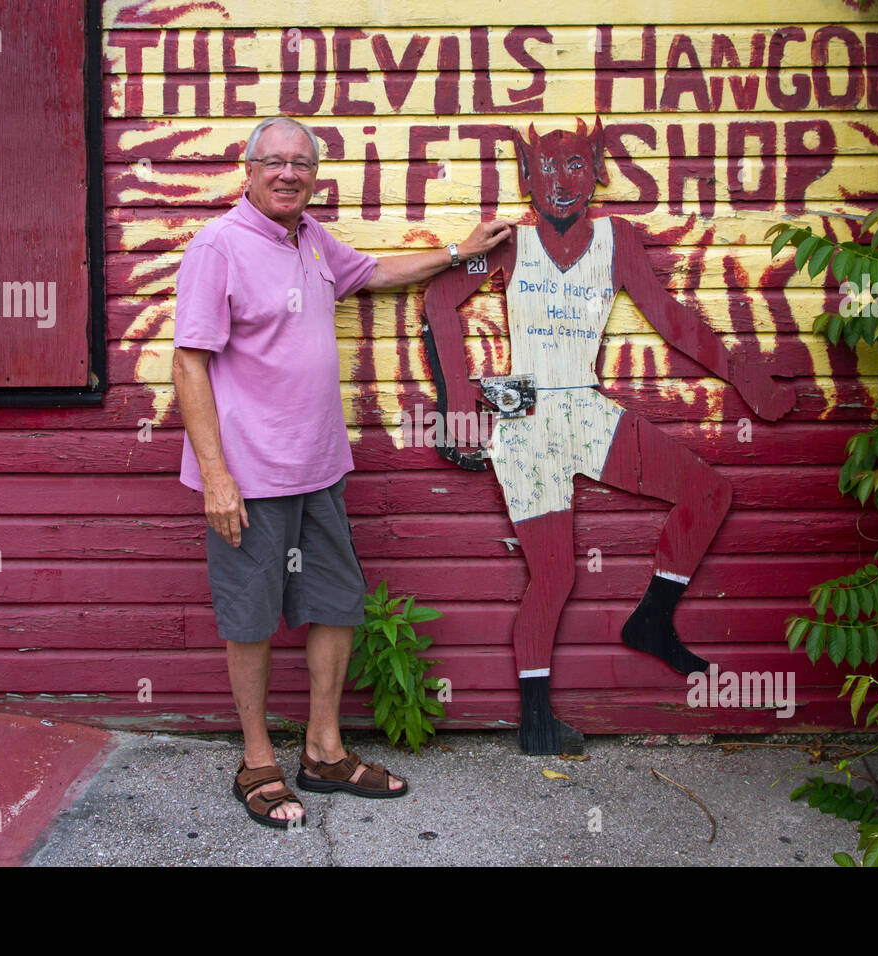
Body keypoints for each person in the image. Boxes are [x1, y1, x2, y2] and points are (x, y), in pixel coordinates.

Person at [172, 116, 511, 828]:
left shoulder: (313, 239)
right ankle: (258, 758)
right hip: (251, 473)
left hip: (319, 464)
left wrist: (458, 252)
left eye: (301, 163)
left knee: (334, 602)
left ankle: (323, 750)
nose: (288, 174)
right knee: (253, 617)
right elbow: (189, 361)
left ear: (314, 174)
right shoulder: (219, 247)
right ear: (249, 167)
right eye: (275, 162)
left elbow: (377, 272)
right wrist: (216, 475)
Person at [423, 119, 796, 754]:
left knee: (707, 494)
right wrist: (458, 402)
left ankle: (652, 618)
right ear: (526, 177)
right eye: (545, 168)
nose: (559, 182)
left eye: (574, 167)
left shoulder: (616, 239)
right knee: (554, 576)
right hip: (526, 418)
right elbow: (439, 302)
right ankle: (537, 722)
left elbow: (671, 320)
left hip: (585, 407)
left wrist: (741, 376)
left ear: (596, 172)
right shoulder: (509, 243)